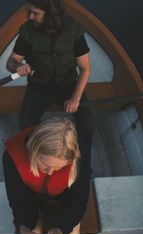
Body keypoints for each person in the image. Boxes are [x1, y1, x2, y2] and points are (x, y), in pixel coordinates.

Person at [3, 116, 91, 234]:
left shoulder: (80, 154)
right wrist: (25, 229)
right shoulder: (12, 156)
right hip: (32, 198)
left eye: (57, 168)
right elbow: (18, 199)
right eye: (45, 164)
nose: (50, 172)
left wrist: (60, 229)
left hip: (65, 198)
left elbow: (78, 199)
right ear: (34, 148)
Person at [6, 0, 93, 141]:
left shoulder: (74, 30)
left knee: (87, 122)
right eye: (29, 12)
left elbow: (85, 69)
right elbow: (10, 62)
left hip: (68, 85)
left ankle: (83, 163)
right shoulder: (27, 30)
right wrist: (18, 67)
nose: (30, 17)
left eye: (35, 13)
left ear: (51, 15)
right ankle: (42, 149)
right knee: (25, 123)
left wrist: (75, 99)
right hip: (39, 86)